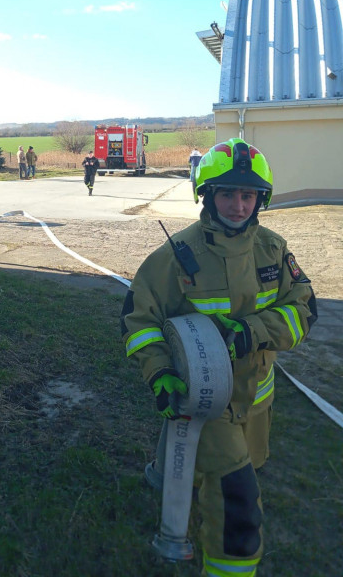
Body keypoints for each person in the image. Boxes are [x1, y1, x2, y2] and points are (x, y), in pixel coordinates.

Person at [120, 138, 317, 577]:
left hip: (257, 403)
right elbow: (138, 319)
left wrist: (253, 332)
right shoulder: (176, 257)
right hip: (205, 403)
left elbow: (304, 308)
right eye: (227, 193)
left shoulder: (273, 250)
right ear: (206, 196)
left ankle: (171, 476)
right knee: (238, 503)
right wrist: (160, 372)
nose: (238, 204)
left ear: (260, 199)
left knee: (225, 473)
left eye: (248, 195)